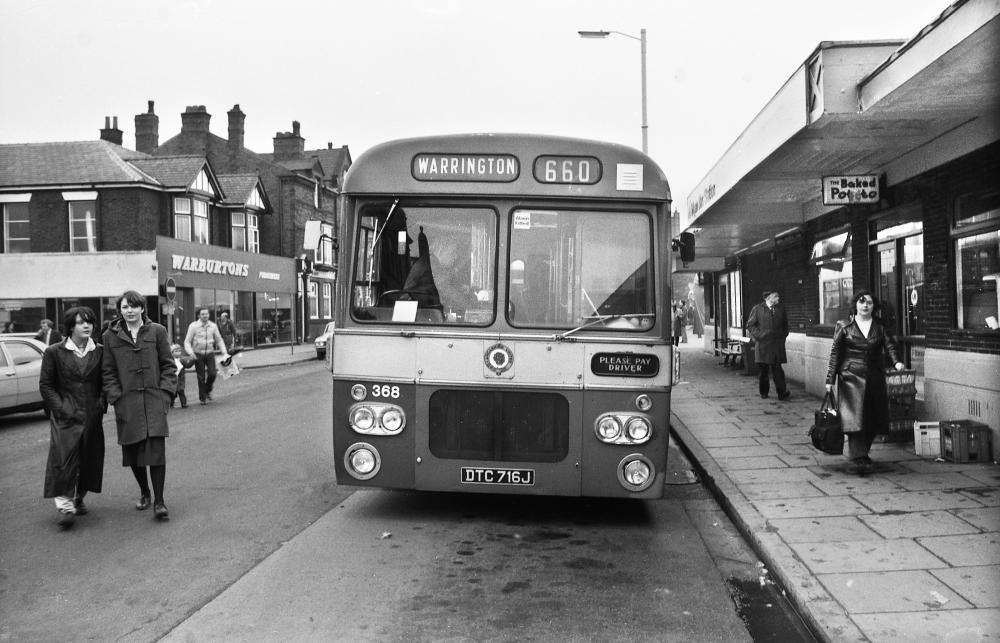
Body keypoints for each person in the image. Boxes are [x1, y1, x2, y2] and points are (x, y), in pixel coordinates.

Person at [102, 290, 176, 520]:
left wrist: (165, 395)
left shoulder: (157, 331)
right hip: (127, 404)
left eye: (134, 306)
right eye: (125, 307)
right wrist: (116, 398)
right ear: (120, 311)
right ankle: (145, 491)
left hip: (154, 402)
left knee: (156, 453)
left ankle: (160, 502)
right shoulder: (110, 336)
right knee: (133, 453)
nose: (130, 311)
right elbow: (108, 371)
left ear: (142, 308)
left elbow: (168, 366)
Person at [39, 307, 106, 528]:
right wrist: (60, 409)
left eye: (89, 322)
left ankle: (79, 497)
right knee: (63, 459)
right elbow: (46, 386)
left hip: (91, 414)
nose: (86, 326)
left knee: (89, 459)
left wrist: (100, 404)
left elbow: (106, 381)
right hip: (65, 415)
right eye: (80, 323)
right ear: (70, 327)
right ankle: (65, 507)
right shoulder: (54, 352)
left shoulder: (100, 351)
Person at [825, 290, 905, 474]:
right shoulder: (844, 326)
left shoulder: (880, 327)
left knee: (872, 416)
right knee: (855, 417)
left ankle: (863, 452)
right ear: (855, 306)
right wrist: (830, 379)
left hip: (874, 376)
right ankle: (858, 454)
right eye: (861, 302)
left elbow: (889, 345)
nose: (865, 305)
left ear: (874, 307)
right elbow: (835, 353)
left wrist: (897, 361)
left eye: (869, 302)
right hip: (851, 377)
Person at [746, 289, 790, 400]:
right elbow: (750, 325)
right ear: (768, 298)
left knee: (778, 370)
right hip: (763, 345)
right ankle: (764, 392)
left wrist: (783, 336)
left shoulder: (781, 309)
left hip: (776, 345)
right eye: (775, 296)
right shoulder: (757, 309)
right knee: (764, 371)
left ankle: (781, 393)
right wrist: (760, 335)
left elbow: (785, 325)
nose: (778, 298)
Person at [183, 308, 229, 405]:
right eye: (202, 314)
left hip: (209, 353)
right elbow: (187, 342)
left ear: (209, 315)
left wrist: (224, 352)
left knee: (213, 374)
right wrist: (191, 353)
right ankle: (202, 398)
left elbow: (219, 340)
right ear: (199, 316)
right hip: (198, 354)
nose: (205, 316)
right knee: (201, 377)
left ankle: (207, 390)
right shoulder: (193, 326)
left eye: (206, 314)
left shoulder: (213, 326)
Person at [170, 344, 194, 408]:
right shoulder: (170, 361)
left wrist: (193, 360)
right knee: (173, 393)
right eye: (176, 351)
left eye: (179, 351)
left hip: (180, 380)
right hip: (173, 380)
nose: (178, 352)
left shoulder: (182, 360)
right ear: (172, 353)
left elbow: (188, 365)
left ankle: (184, 403)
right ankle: (171, 403)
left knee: (181, 392)